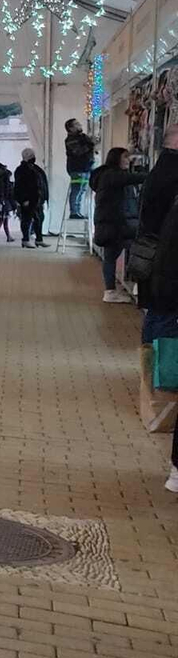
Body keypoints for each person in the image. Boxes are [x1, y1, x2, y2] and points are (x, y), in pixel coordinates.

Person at [136, 122, 178, 493]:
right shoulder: (171, 174)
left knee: (157, 335)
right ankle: (158, 393)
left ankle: (154, 390)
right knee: (165, 342)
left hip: (158, 273)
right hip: (167, 279)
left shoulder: (158, 172)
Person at [90, 147, 144, 302]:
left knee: (111, 256)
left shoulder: (104, 176)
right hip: (117, 224)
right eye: (125, 157)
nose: (128, 160)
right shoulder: (113, 176)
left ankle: (111, 291)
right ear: (116, 159)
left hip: (109, 223)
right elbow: (133, 179)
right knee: (137, 250)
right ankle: (135, 285)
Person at [13, 148, 49, 248]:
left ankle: (39, 239)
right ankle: (25, 239)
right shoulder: (21, 170)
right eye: (31, 155)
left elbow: (42, 183)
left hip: (38, 199)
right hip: (28, 200)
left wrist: (44, 197)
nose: (33, 157)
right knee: (26, 219)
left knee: (39, 218)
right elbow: (19, 186)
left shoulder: (36, 169)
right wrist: (23, 199)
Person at [65, 118, 95, 219]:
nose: (80, 125)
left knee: (82, 190)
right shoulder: (71, 140)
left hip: (85, 167)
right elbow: (78, 152)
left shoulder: (82, 137)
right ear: (71, 128)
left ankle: (77, 211)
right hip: (77, 168)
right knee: (77, 189)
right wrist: (91, 145)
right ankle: (74, 211)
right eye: (76, 124)